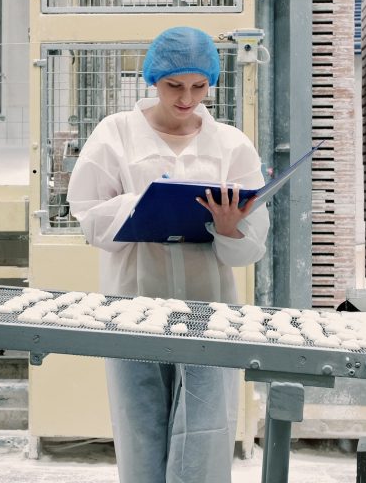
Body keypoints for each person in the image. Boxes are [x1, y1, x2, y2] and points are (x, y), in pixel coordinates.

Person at [66, 26, 270, 483]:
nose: (187, 97)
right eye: (175, 86)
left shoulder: (231, 144)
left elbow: (249, 246)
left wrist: (230, 229)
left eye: (199, 86)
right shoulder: (116, 133)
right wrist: (140, 206)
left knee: (207, 427)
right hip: (134, 304)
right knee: (140, 425)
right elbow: (85, 213)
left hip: (209, 309)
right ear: (153, 79)